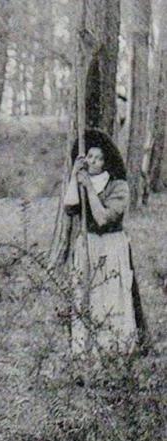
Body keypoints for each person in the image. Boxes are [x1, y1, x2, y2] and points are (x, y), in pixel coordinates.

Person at [63, 129, 148, 354]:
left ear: (106, 161)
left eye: (98, 158)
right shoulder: (81, 181)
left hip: (111, 246)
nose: (93, 162)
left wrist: (89, 188)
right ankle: (85, 350)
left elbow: (102, 219)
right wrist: (74, 176)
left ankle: (115, 350)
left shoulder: (118, 186)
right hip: (87, 245)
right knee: (86, 295)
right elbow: (69, 208)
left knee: (111, 296)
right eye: (89, 157)